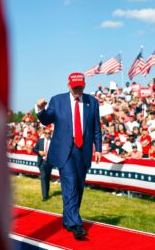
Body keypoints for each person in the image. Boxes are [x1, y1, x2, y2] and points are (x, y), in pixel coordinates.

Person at [36, 72, 102, 240]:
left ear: (84, 85)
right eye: (75, 87)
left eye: (80, 86)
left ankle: (68, 220)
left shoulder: (92, 102)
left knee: (79, 186)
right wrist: (41, 109)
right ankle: (76, 224)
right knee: (70, 184)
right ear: (69, 85)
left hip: (84, 150)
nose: (77, 89)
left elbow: (96, 128)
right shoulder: (57, 100)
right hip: (65, 150)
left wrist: (99, 148)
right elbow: (46, 120)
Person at [32, 129, 54, 201]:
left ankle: (46, 193)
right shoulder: (40, 140)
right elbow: (34, 149)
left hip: (49, 162)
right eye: (46, 133)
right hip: (42, 162)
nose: (47, 134)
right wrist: (39, 152)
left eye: (49, 133)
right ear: (44, 133)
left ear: (51, 133)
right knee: (43, 177)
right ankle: (45, 196)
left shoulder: (53, 141)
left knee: (47, 178)